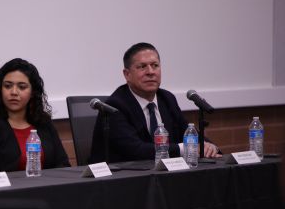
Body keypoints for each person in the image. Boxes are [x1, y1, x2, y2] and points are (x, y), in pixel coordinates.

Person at [90, 42, 221, 163]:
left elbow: (186, 131)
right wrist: (185, 148)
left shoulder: (166, 98)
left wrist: (208, 146)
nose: (151, 72)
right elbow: (136, 150)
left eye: (155, 66)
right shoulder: (115, 105)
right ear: (127, 74)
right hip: (122, 180)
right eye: (142, 67)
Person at [0, 58, 70, 174]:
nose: (13, 92)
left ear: (33, 92)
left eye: (22, 87)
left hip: (46, 189)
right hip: (6, 191)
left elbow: (63, 164)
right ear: (0, 90)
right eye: (7, 86)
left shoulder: (43, 122)